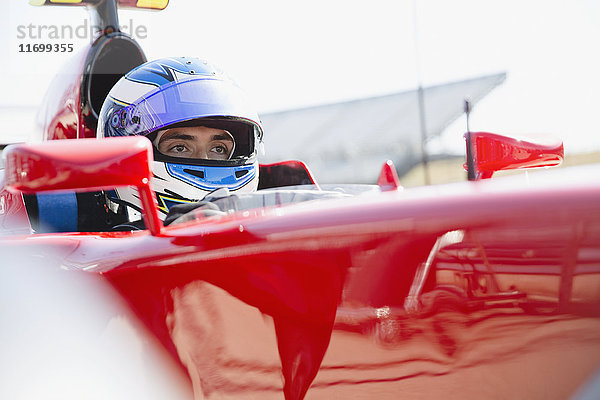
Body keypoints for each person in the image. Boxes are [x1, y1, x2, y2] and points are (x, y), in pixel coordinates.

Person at [95, 56, 264, 228]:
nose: (204, 160)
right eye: (180, 147)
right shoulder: (101, 251)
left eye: (218, 149)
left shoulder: (270, 228)